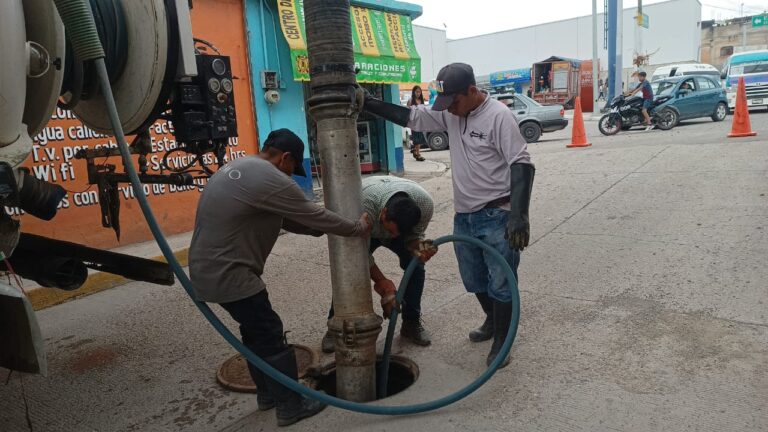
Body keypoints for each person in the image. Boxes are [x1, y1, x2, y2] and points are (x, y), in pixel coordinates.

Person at [189, 129, 371, 427]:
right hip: (232, 275)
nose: (293, 174)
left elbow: (286, 219)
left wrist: (315, 230)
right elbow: (313, 214)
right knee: (270, 337)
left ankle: (268, 395)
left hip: (207, 272)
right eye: (293, 168)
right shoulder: (272, 179)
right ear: (285, 158)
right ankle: (291, 405)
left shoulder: (243, 167)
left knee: (254, 335)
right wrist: (354, 227)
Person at [362, 63, 535, 368]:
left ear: (472, 91)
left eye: (454, 102)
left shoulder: (499, 116)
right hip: (464, 215)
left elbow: (521, 163)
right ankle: (492, 321)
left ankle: (502, 342)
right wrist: (369, 102)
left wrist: (519, 216)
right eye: (446, 104)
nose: (450, 110)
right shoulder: (450, 111)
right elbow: (412, 117)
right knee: (474, 278)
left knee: (502, 283)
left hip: (497, 213)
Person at [321, 176, 436, 353]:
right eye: (390, 231)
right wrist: (383, 283)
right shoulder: (362, 205)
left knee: (416, 268)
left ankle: (411, 323)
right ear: (384, 213)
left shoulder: (425, 205)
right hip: (366, 227)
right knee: (351, 271)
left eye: (397, 234)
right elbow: (359, 255)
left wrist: (421, 249)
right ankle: (336, 327)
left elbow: (413, 238)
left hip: (390, 219)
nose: (394, 237)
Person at [407, 86, 427, 161]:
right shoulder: (411, 100)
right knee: (417, 139)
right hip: (413, 123)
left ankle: (414, 150)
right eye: (417, 92)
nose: (418, 93)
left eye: (419, 92)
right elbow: (408, 111)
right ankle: (418, 154)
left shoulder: (421, 100)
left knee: (420, 139)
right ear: (413, 92)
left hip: (420, 122)